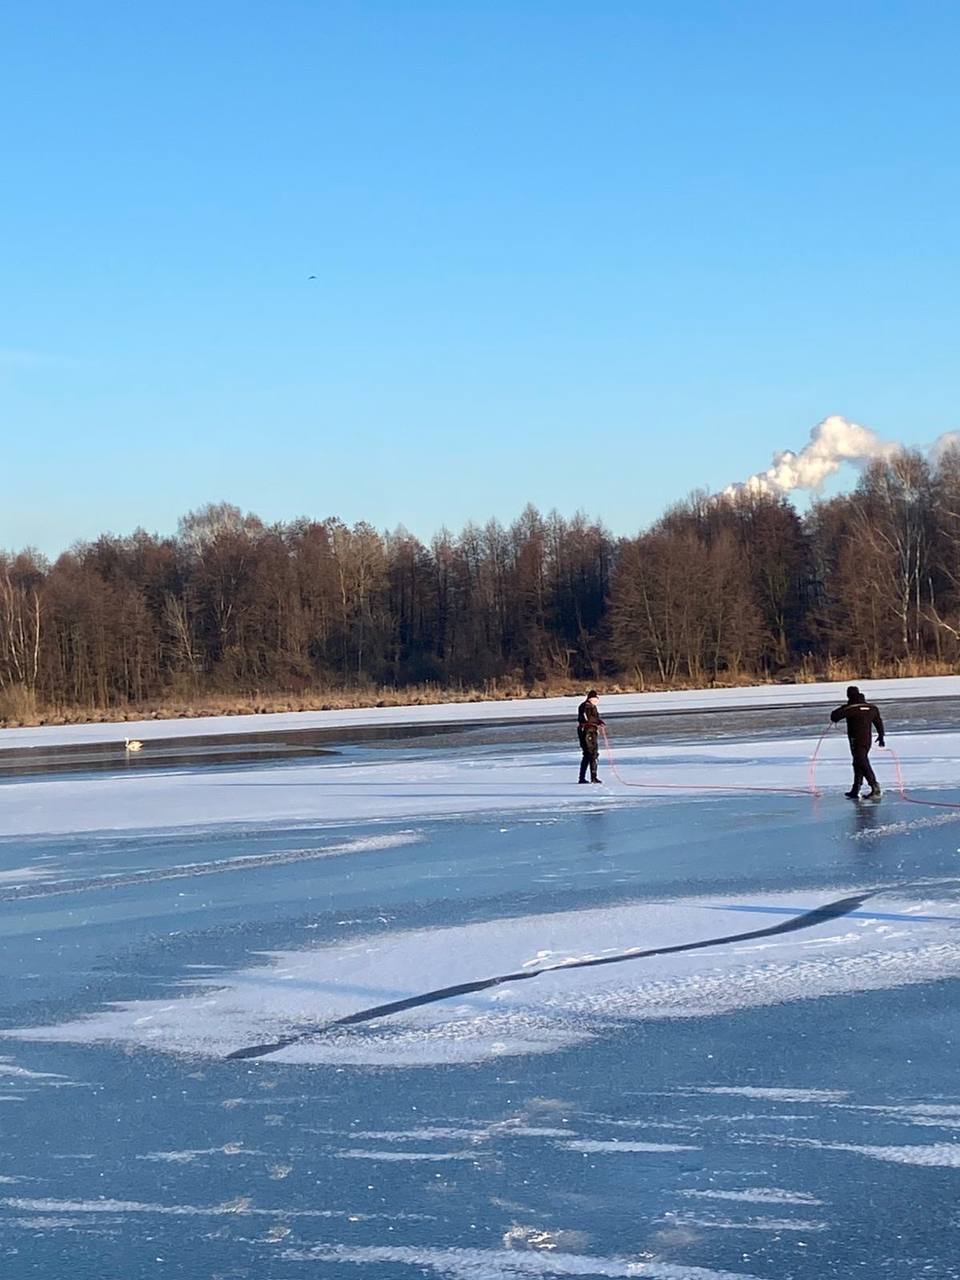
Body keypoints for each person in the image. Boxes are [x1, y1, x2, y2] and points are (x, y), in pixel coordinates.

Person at [830, 685, 885, 799]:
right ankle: (856, 789)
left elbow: (834, 716)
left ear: (848, 695)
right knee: (858, 762)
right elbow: (878, 722)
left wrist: (845, 706)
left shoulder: (850, 709)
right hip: (867, 740)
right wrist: (881, 736)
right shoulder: (872, 708)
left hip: (855, 740)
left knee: (861, 761)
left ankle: (874, 786)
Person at [577, 690, 605, 784]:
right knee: (590, 754)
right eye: (595, 698)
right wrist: (597, 721)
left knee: (593, 754)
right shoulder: (585, 706)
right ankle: (585, 778)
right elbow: (587, 718)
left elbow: (594, 717)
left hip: (592, 731)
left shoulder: (593, 706)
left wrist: (599, 721)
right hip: (586, 732)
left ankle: (592, 777)